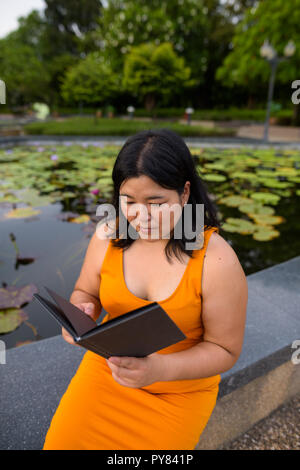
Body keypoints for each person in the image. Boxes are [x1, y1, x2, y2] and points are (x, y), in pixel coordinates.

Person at [43, 129, 248, 450]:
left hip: (178, 390)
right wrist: (82, 311)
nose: (142, 216)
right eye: (129, 201)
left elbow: (226, 350)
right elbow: (86, 292)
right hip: (108, 370)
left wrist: (160, 369)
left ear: (184, 193)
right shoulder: (107, 235)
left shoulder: (216, 259)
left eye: (156, 202)